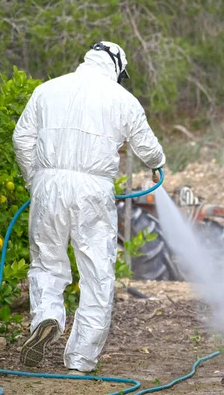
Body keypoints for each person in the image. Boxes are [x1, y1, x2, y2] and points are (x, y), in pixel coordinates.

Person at [12, 41, 165, 372]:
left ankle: (47, 314)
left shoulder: (47, 90)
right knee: (97, 274)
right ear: (116, 69)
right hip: (93, 189)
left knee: (48, 263)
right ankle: (81, 359)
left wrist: (34, 181)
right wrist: (158, 162)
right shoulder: (122, 99)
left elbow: (22, 138)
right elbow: (147, 147)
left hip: (47, 184)